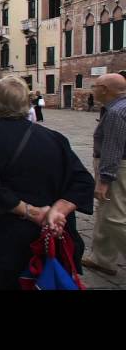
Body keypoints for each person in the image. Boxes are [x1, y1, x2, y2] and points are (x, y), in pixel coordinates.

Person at [0, 76, 94, 290]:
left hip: (2, 241)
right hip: (48, 237)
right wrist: (57, 211)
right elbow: (83, 182)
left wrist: (32, 212)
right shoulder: (55, 138)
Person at [82, 73, 126, 276]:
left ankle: (104, 258)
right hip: (118, 166)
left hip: (116, 168)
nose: (93, 89)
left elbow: (112, 148)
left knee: (113, 217)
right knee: (104, 211)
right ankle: (102, 258)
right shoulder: (118, 108)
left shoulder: (117, 112)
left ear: (105, 90)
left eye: (96, 86)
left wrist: (105, 180)